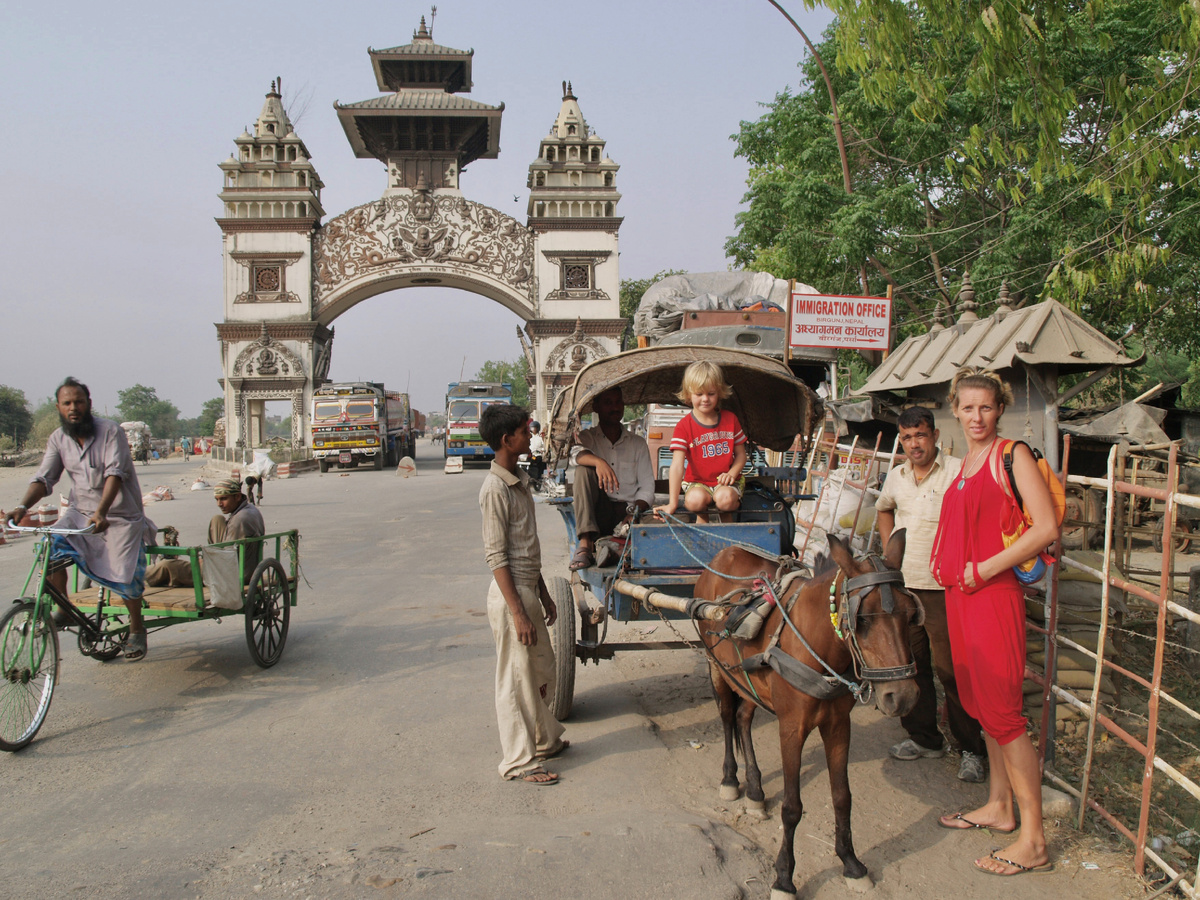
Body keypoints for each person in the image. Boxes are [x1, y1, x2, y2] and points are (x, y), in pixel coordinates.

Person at [929, 367, 1058, 877]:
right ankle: (1000, 806)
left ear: (1000, 409)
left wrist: (983, 568)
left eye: (986, 407)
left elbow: (1045, 527)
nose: (976, 416)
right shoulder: (964, 464)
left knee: (1004, 715)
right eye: (967, 407)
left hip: (993, 594)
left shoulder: (1012, 455)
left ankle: (1034, 839)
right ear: (955, 410)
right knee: (980, 705)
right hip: (961, 597)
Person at [6, 377, 156, 660]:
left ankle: (137, 629)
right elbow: (44, 478)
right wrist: (22, 506)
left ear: (88, 404)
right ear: (59, 407)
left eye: (79, 402)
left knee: (125, 574)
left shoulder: (110, 431)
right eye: (67, 403)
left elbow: (116, 473)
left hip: (119, 516)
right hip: (80, 514)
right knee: (48, 549)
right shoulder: (58, 438)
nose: (73, 407)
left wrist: (101, 512)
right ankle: (65, 610)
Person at [874, 406, 987, 782]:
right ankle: (924, 739)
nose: (913, 444)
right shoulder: (897, 477)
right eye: (906, 437)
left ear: (935, 435)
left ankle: (971, 749)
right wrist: (890, 546)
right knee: (912, 666)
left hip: (945, 588)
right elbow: (884, 508)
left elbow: (980, 515)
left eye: (920, 435)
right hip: (904, 587)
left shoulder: (958, 472)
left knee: (952, 672)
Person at [478, 403, 568, 785]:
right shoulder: (495, 489)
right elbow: (497, 556)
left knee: (540, 670)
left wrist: (544, 594)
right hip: (509, 596)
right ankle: (519, 761)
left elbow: (527, 548)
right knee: (515, 680)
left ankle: (544, 740)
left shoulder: (519, 481)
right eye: (523, 430)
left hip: (528, 589)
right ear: (506, 440)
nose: (530, 435)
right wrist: (517, 612)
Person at [568, 386, 655, 570]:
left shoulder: (638, 444)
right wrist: (598, 462)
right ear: (597, 407)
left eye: (618, 402)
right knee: (583, 470)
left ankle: (613, 550)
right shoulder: (588, 437)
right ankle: (585, 543)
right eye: (608, 403)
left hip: (627, 513)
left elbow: (647, 488)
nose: (615, 407)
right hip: (599, 511)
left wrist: (632, 514)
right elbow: (574, 455)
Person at [654, 361, 747, 522]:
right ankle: (702, 524)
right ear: (689, 394)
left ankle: (729, 536)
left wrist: (731, 474)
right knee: (694, 501)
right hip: (698, 484)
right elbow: (676, 466)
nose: (705, 399)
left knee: (725, 499)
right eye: (699, 394)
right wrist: (672, 503)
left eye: (711, 394)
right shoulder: (684, 426)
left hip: (725, 485)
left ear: (719, 392)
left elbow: (741, 455)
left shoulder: (730, 419)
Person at [144, 478, 264, 587]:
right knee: (218, 519)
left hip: (227, 574)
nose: (219, 504)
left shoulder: (239, 520)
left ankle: (137, 576)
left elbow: (227, 557)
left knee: (168, 566)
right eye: (217, 499)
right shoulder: (249, 509)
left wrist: (205, 560)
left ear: (237, 497)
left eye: (224, 499)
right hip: (240, 565)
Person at [526, 420, 546, 485]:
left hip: (537, 454)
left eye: (534, 428)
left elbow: (544, 445)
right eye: (532, 428)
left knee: (539, 461)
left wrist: (542, 450)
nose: (533, 429)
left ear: (537, 428)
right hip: (529, 454)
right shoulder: (529, 437)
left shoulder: (540, 437)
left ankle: (538, 476)